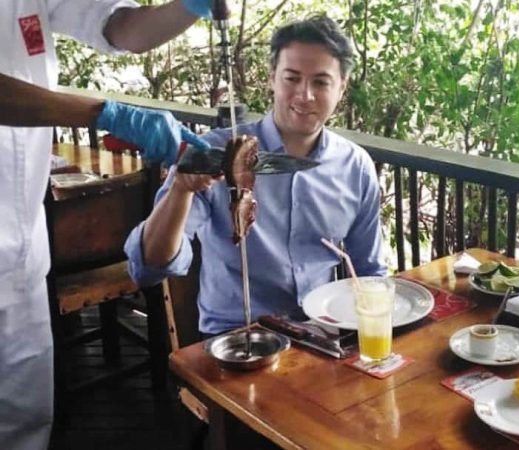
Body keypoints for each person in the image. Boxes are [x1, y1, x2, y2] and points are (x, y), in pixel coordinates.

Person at [0, 1, 214, 448]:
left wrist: (194, 5)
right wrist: (103, 114)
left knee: (26, 419)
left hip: (22, 255)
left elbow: (122, 28)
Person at [125, 15, 387, 336]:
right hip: (236, 336)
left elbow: (370, 271)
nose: (305, 95)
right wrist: (181, 189)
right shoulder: (217, 153)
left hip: (323, 335)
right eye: (292, 78)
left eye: (321, 82)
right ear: (272, 79)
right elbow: (149, 267)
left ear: (341, 88)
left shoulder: (355, 165)